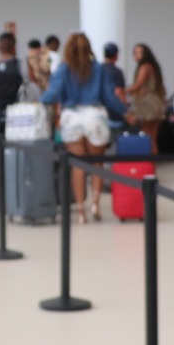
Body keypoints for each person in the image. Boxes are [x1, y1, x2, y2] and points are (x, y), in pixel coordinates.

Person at [40, 32, 127, 222]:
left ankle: (80, 211)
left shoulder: (63, 69)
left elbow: (52, 94)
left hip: (71, 118)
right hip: (95, 116)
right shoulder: (99, 69)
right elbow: (109, 97)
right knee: (97, 162)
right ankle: (95, 204)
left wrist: (40, 100)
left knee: (78, 165)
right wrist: (125, 111)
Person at [126, 43, 167, 145]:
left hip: (148, 104)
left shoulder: (144, 66)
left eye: (139, 52)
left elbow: (138, 85)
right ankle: (153, 155)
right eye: (135, 52)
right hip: (155, 102)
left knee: (147, 134)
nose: (136, 55)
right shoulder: (152, 67)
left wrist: (123, 91)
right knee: (152, 136)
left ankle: (148, 155)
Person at [100, 42, 128, 107]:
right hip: (113, 107)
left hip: (99, 106)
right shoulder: (117, 72)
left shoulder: (98, 70)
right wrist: (125, 108)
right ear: (116, 55)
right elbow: (118, 92)